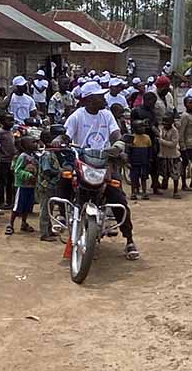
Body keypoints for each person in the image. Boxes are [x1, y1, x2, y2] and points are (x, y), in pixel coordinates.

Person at [62, 82, 137, 259]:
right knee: (64, 178)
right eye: (99, 96)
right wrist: (60, 140)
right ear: (89, 100)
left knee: (118, 197)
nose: (104, 98)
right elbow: (66, 134)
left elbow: (115, 133)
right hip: (82, 161)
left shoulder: (106, 114)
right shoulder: (76, 116)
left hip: (104, 163)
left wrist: (118, 144)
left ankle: (129, 239)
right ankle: (61, 214)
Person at [6, 132, 38, 235]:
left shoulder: (34, 156)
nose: (36, 144)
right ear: (26, 145)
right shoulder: (23, 156)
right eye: (33, 142)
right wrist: (28, 175)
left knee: (27, 206)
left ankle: (24, 223)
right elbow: (17, 170)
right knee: (17, 206)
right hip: (22, 186)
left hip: (31, 186)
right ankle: (10, 224)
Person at [157, 114, 182, 199]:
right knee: (164, 173)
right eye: (163, 121)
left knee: (175, 174)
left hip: (173, 156)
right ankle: (164, 184)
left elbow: (173, 144)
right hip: (164, 156)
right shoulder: (162, 129)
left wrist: (161, 141)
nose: (164, 123)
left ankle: (175, 191)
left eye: (167, 121)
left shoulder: (174, 131)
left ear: (172, 122)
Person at [0, 113, 17, 209]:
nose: (11, 122)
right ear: (2, 122)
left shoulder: (12, 132)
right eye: (9, 120)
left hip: (11, 160)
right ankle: (1, 202)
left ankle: (9, 201)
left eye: (12, 120)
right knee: (2, 182)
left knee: (10, 182)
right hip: (3, 160)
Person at [128, 120, 152, 201]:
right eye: (140, 127)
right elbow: (129, 151)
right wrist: (128, 161)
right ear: (134, 129)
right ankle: (133, 193)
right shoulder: (132, 138)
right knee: (134, 178)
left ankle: (144, 192)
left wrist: (150, 159)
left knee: (144, 178)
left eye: (143, 126)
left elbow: (149, 149)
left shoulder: (147, 138)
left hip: (144, 161)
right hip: (134, 162)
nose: (142, 128)